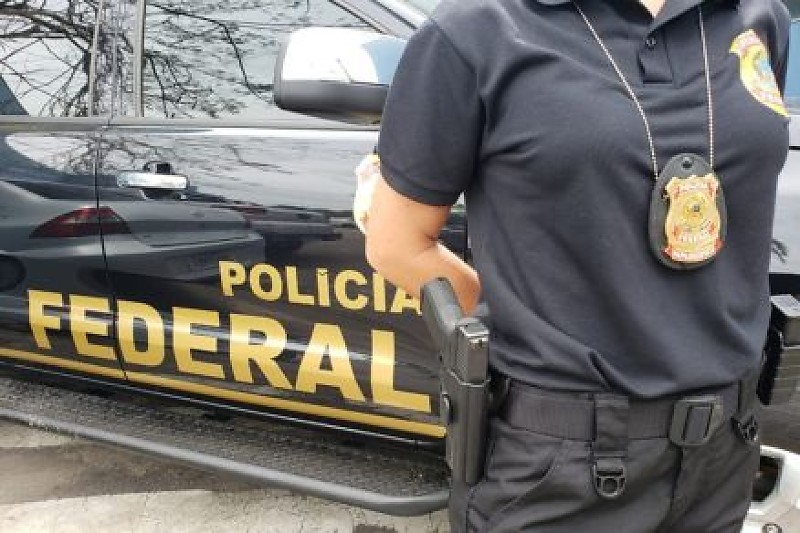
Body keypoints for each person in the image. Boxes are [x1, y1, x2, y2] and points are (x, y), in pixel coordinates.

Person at [364, 0, 792, 531]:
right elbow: (397, 242)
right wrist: (525, 326)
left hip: (724, 453)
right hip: (560, 470)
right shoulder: (476, 31)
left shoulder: (758, 15)